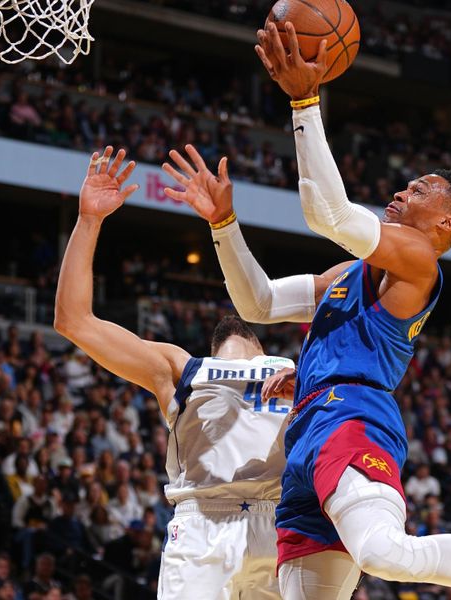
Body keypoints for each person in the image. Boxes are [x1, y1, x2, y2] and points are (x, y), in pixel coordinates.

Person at [160, 21, 451, 600]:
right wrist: (222, 225)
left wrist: (304, 101)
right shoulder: (349, 275)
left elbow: (329, 216)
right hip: (305, 432)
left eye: (418, 191)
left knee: (385, 551)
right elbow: (257, 303)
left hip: (352, 413)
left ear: (445, 224)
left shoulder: (418, 261)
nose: (400, 193)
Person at [53, 146, 293, 599]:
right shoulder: (181, 368)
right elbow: (73, 320)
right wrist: (88, 221)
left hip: (280, 523)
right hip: (203, 519)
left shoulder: (299, 369)